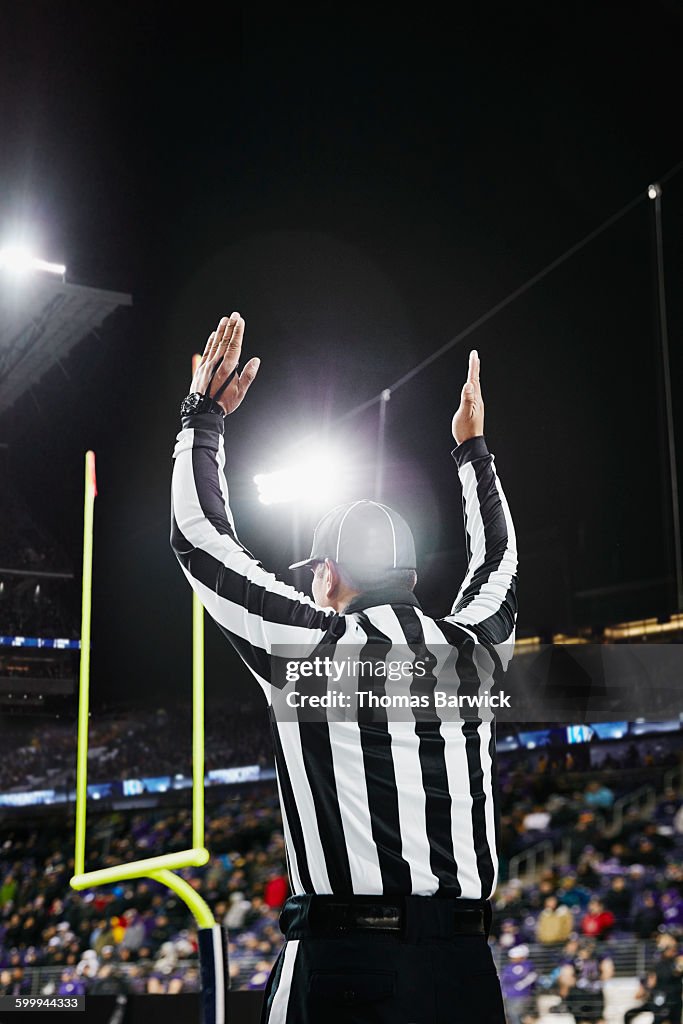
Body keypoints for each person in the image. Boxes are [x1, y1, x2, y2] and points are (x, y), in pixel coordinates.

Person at [170, 312, 518, 1022]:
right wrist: (472, 452)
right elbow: (499, 568)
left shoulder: (314, 649)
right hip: (463, 968)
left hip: (347, 962)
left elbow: (199, 538)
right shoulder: (472, 654)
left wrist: (201, 417)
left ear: (329, 575)